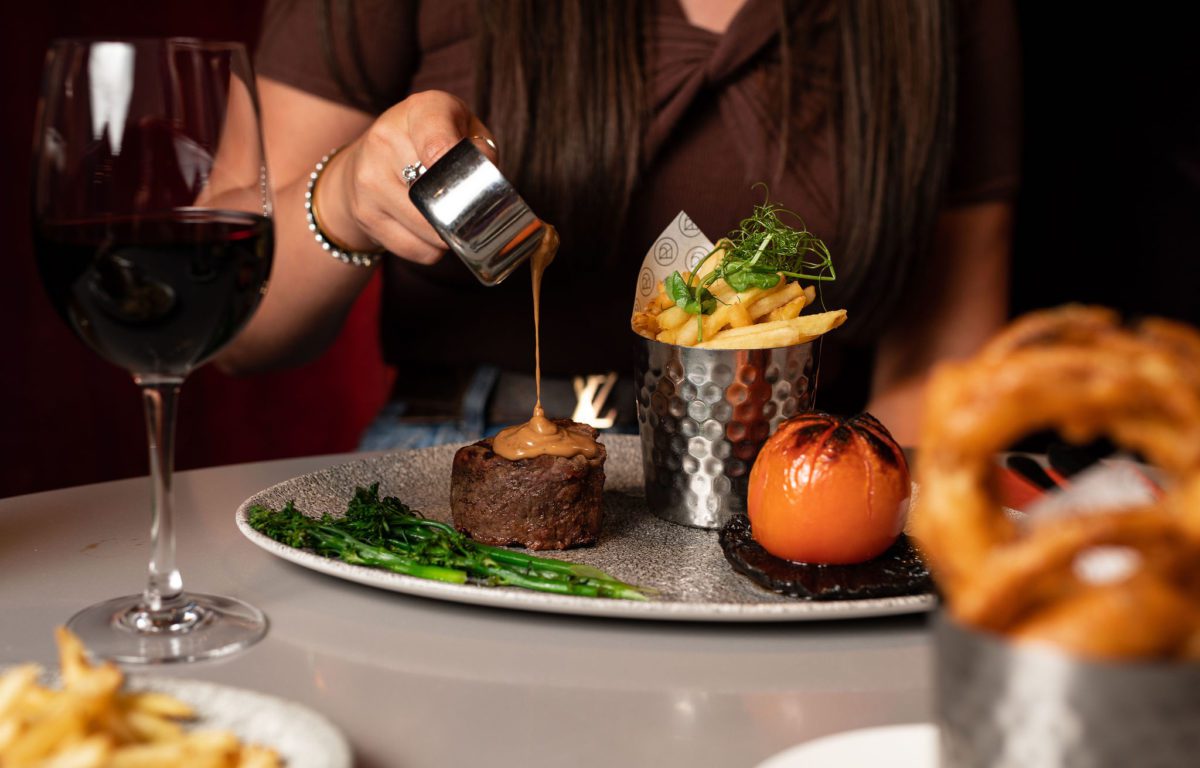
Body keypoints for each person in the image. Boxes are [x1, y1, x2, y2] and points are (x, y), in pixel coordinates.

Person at [218, 0, 1020, 448]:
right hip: (456, 451)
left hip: (787, 472)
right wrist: (345, 201)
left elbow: (941, 366)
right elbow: (233, 332)